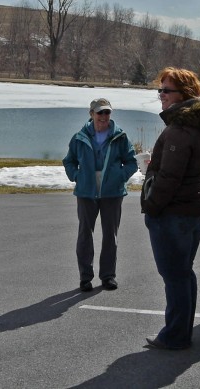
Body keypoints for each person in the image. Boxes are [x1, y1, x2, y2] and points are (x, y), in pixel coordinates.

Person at [141, 67, 200, 350]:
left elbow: (170, 179)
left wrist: (151, 207)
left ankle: (175, 335)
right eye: (159, 90)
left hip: (175, 212)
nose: (160, 95)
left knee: (175, 275)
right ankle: (181, 331)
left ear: (183, 94)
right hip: (195, 206)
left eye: (166, 90)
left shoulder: (180, 129)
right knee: (183, 272)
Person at [63, 98, 138, 292]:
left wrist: (119, 177)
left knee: (110, 236)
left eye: (107, 113)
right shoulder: (79, 137)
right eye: (100, 113)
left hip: (112, 193)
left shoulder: (120, 136)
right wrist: (76, 176)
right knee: (84, 235)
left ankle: (108, 276)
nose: (104, 117)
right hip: (86, 192)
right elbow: (69, 161)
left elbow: (131, 162)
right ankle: (85, 277)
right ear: (91, 114)